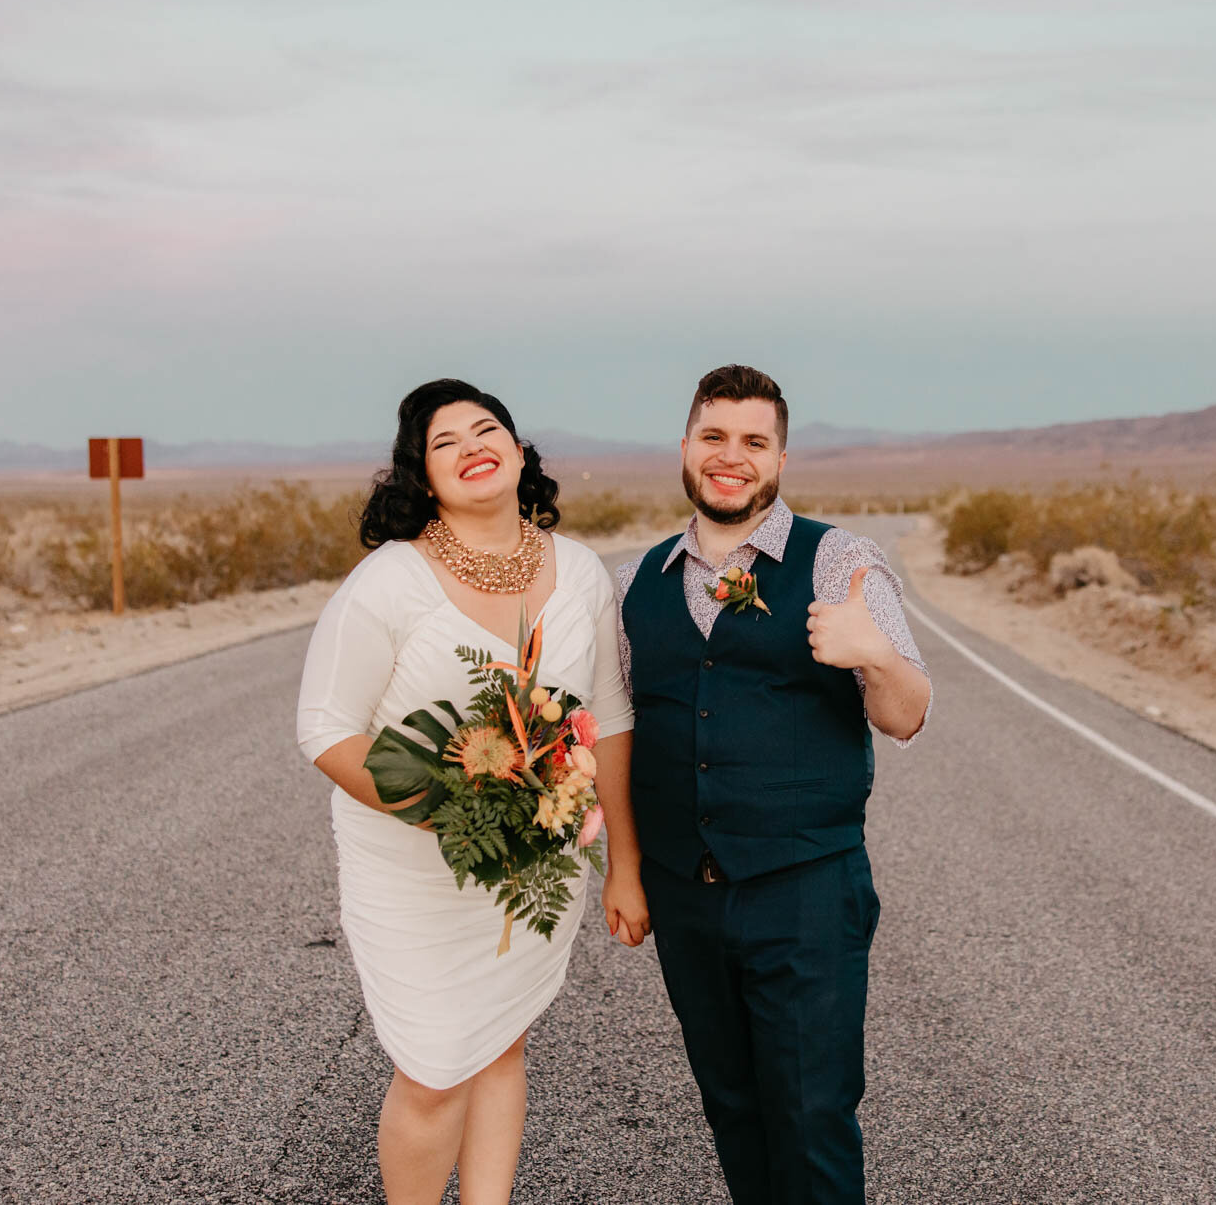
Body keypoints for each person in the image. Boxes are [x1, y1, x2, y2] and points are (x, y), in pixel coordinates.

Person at [295, 379, 635, 1205]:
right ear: (424, 475)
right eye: (445, 442)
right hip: (412, 869)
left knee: (499, 1044)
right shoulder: (390, 581)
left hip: (534, 864)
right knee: (435, 1068)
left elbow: (611, 720)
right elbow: (325, 727)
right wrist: (450, 809)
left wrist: (624, 861)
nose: (472, 446)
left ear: (520, 453)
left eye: (487, 430)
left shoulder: (582, 571)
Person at [601, 364, 932, 1204]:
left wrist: (877, 654)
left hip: (805, 891)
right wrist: (627, 869)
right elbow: (623, 733)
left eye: (754, 441)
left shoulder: (840, 563)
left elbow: (906, 714)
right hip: (687, 898)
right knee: (734, 1108)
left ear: (779, 459)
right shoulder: (641, 580)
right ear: (685, 448)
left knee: (811, 1114)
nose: (731, 456)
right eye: (714, 436)